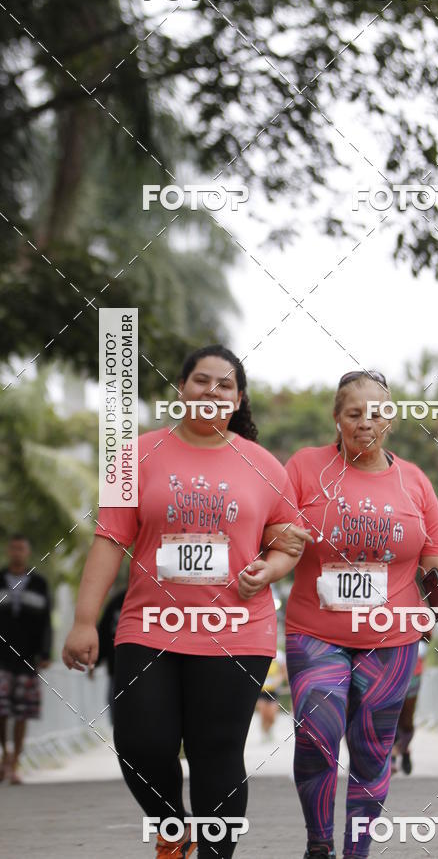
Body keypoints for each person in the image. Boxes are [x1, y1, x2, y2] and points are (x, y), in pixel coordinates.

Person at [63, 345, 308, 858]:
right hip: (150, 624)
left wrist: (271, 568)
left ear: (238, 399)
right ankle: (171, 831)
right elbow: (109, 540)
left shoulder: (264, 465)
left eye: (224, 385)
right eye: (201, 380)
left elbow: (290, 540)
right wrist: (85, 621)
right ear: (181, 388)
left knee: (215, 752)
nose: (211, 391)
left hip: (236, 628)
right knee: (139, 745)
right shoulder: (134, 454)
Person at [266, 370, 438, 859]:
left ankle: (356, 850)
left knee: (371, 747)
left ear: (393, 420)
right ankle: (319, 843)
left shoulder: (415, 483)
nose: (366, 422)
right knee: (318, 732)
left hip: (393, 637)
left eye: (377, 413)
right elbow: (273, 531)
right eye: (354, 413)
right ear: (337, 420)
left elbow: (437, 564)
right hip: (316, 631)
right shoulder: (303, 468)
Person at [0, 534, 52, 784]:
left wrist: (46, 652)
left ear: (27, 551)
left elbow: (46, 622)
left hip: (27, 657)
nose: (18, 552)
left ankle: (15, 762)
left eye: (22, 548)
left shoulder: (39, 583)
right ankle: (5, 755)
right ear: (9, 551)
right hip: (1, 657)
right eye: (14, 548)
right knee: (1, 709)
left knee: (22, 712)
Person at [390, 635, 429, 775]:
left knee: (406, 721)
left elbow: (428, 634)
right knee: (389, 714)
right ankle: (392, 756)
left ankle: (404, 749)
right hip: (386, 670)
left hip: (413, 672)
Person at [94, 586, 127, 724]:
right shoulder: (116, 602)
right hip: (117, 669)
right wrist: (95, 661)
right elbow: (103, 632)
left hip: (148, 671)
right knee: (117, 714)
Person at [255, 649, 287, 739]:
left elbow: (283, 672)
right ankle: (264, 732)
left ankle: (269, 729)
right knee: (263, 712)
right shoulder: (260, 652)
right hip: (262, 690)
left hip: (274, 690)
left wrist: (279, 680)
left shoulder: (280, 655)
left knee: (272, 715)